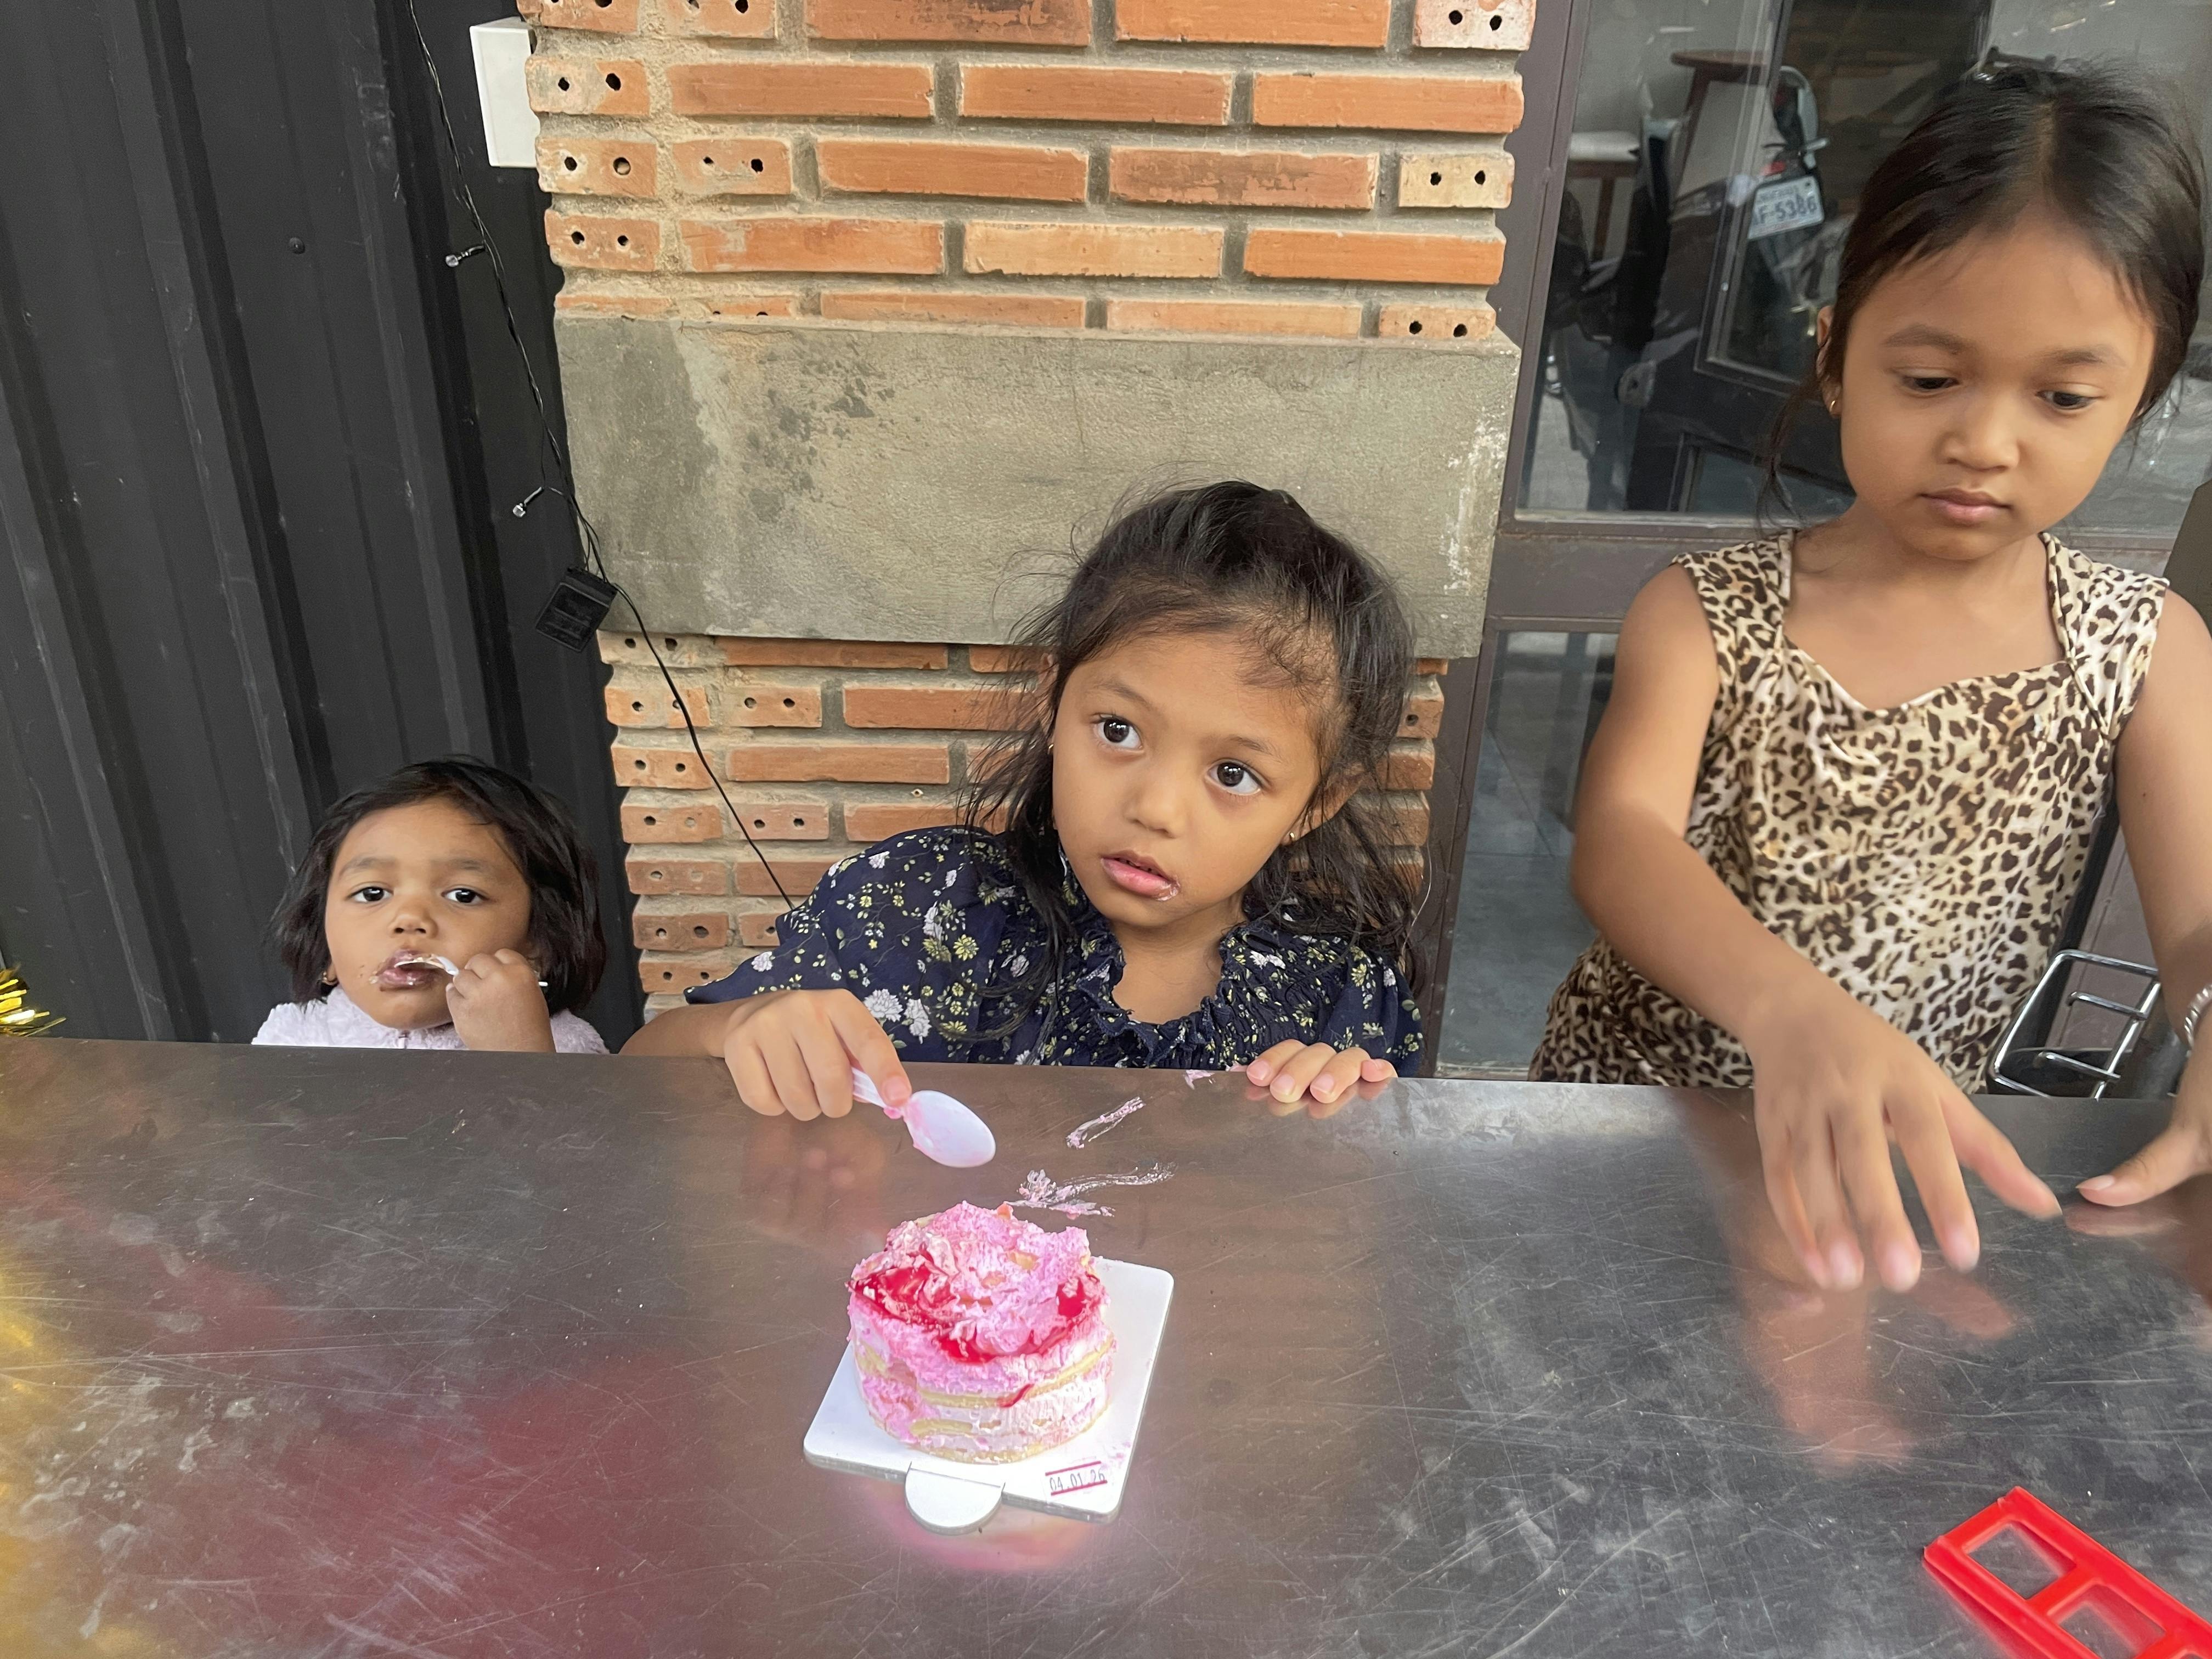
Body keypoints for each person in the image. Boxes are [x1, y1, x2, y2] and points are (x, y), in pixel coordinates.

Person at [1533, 61, 2212, 1293]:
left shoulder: (2147, 646)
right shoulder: (1704, 613)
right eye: (1930, 379)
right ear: (1837, 356)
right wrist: (1789, 1009)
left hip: (1895, 1172)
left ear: (2140, 399)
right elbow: (1623, 841)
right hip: (1636, 1141)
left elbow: (2201, 917)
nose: (1984, 441)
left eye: (2062, 396)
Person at [626, 482, 1423, 1114]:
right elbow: (635, 1084)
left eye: (1233, 775)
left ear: (1317, 802)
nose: (1156, 809)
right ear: (1053, 701)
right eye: (1118, 731)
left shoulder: (1341, 995)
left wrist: (1334, 1128)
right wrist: (735, 1031)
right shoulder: (919, 909)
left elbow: (1370, 1220)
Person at [257, 758, 609, 1052]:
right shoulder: (290, 1042)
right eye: (372, 894)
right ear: (327, 950)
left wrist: (520, 1057)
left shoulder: (560, 1049)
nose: (409, 919)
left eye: (463, 895)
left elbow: (559, 1119)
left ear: (538, 946)